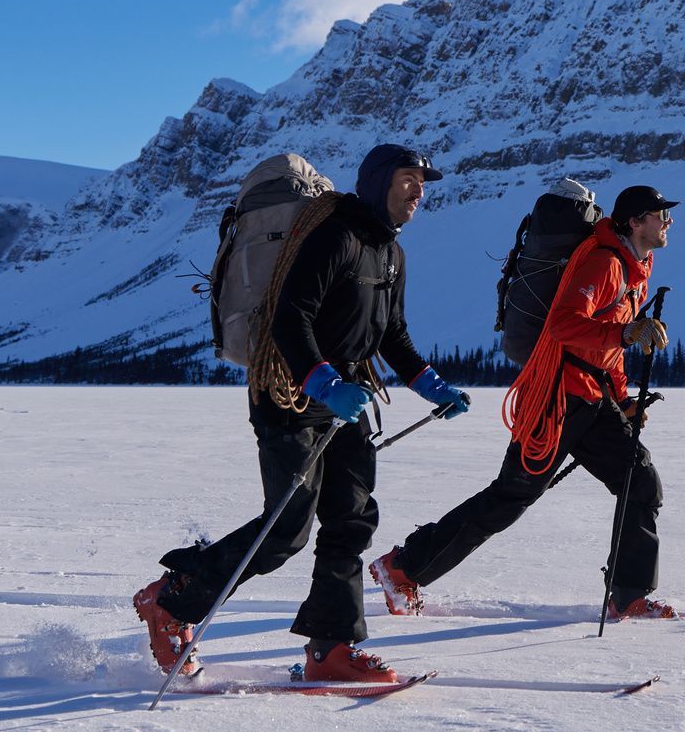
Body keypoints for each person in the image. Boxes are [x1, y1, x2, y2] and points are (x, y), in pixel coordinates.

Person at [132, 144, 471, 684]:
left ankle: (331, 648)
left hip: (345, 397)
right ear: (381, 180)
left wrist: (432, 385)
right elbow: (292, 318)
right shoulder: (335, 235)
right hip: (288, 391)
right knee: (287, 527)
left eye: (423, 182)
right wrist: (324, 383)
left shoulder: (389, 252)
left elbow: (392, 334)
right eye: (409, 178)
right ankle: (173, 602)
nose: (419, 190)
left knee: (351, 517)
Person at [375, 183, 676, 622]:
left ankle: (629, 594)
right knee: (510, 497)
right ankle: (402, 566)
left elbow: (608, 347)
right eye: (660, 215)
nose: (668, 222)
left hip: (592, 399)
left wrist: (622, 399)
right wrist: (626, 335)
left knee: (640, 482)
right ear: (635, 222)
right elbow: (562, 325)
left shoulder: (632, 264)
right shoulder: (604, 263)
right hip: (557, 398)